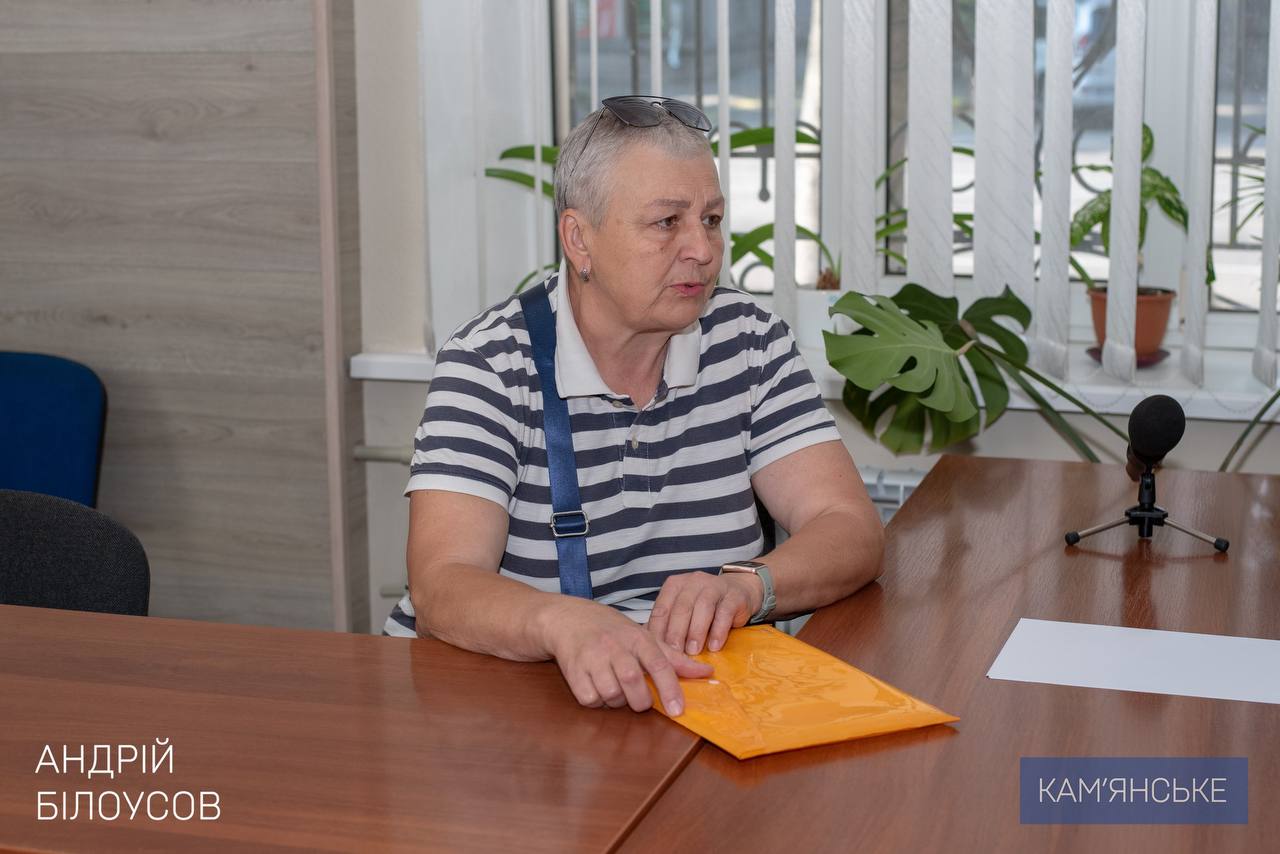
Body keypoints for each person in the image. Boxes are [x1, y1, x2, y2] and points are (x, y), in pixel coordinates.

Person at [384, 96, 884, 717]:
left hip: (687, 697)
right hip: (507, 706)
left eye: (711, 219)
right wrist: (560, 624)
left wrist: (748, 586)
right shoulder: (489, 364)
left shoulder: (750, 341)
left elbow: (850, 526)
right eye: (667, 222)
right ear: (579, 239)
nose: (703, 249)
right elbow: (442, 585)